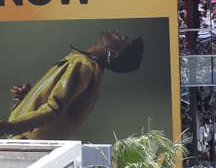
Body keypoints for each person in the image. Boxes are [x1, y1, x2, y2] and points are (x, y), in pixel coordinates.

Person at [0, 31, 145, 139]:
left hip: (25, 143)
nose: (124, 36)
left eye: (125, 41)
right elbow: (59, 109)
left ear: (113, 54)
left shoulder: (84, 65)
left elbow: (53, 110)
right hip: (23, 141)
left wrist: (10, 127)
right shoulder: (87, 67)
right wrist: (25, 99)